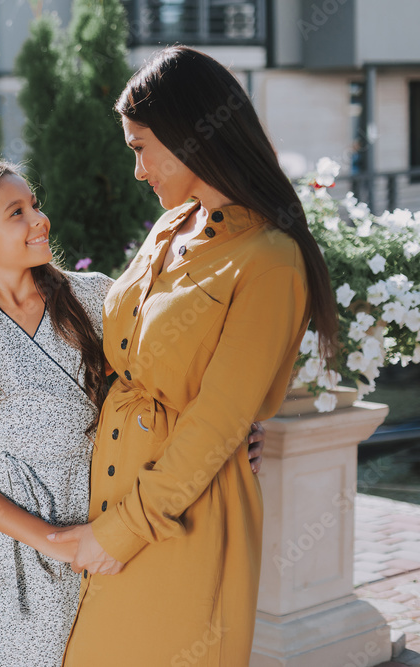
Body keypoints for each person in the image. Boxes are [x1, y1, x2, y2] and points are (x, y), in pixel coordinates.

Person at [0, 156, 267, 666]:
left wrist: (236, 429)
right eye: (16, 213)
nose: (39, 219)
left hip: (99, 525)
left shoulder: (93, 296)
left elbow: (165, 381)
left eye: (34, 204)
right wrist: (53, 542)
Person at [51, 46, 339, 666]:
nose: (136, 170)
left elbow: (215, 425)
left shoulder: (270, 258)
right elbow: (121, 345)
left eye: (140, 147)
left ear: (189, 137)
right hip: (103, 497)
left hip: (180, 518)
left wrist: (120, 533)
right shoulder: (169, 226)